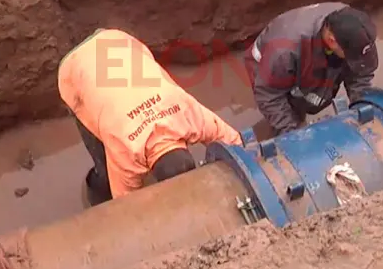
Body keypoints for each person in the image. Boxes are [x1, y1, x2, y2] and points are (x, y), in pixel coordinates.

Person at [57, 28, 243, 203]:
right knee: (106, 170)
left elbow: (233, 141)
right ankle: (95, 196)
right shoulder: (125, 150)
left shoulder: (187, 113)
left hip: (116, 43)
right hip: (76, 69)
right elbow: (124, 205)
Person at [244, 2, 379, 137]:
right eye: (352, 55)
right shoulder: (283, 53)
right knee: (290, 113)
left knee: (315, 92)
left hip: (315, 52)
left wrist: (362, 108)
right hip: (268, 67)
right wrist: (295, 134)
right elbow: (269, 96)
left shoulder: (353, 28)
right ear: (332, 41)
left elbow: (361, 73)